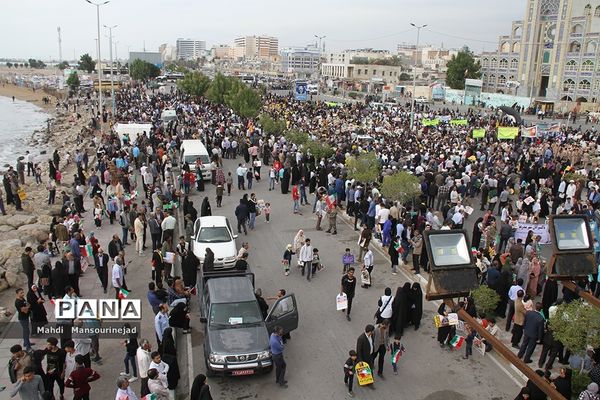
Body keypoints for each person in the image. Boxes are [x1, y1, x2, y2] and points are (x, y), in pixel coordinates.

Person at [356, 324, 376, 390]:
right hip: (364, 358)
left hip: (370, 356)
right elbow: (358, 350)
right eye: (373, 331)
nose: (373, 332)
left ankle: (370, 383)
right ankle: (362, 381)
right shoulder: (361, 338)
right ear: (370, 331)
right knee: (364, 371)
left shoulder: (371, 336)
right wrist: (360, 360)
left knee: (370, 370)